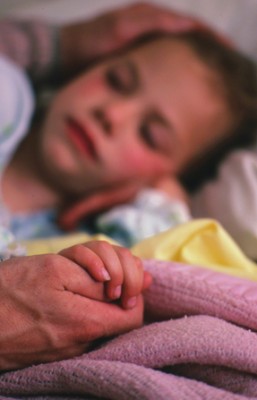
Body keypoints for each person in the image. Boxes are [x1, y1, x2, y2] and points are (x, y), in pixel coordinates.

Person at [0, 2, 256, 371]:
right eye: (117, 81)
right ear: (90, 64)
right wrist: (61, 45)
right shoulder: (9, 99)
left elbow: (163, 248)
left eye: (149, 135)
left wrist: (159, 197)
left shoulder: (85, 250)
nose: (112, 115)